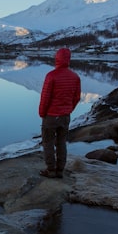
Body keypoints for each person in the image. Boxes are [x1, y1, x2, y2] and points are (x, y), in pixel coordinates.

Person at [37, 47, 82, 179]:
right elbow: (77, 97)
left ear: (57, 58)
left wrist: (42, 113)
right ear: (68, 60)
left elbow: (45, 97)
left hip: (51, 116)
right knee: (61, 142)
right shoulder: (75, 77)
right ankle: (60, 170)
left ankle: (51, 170)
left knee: (48, 142)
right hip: (65, 116)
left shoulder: (51, 76)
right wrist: (68, 109)